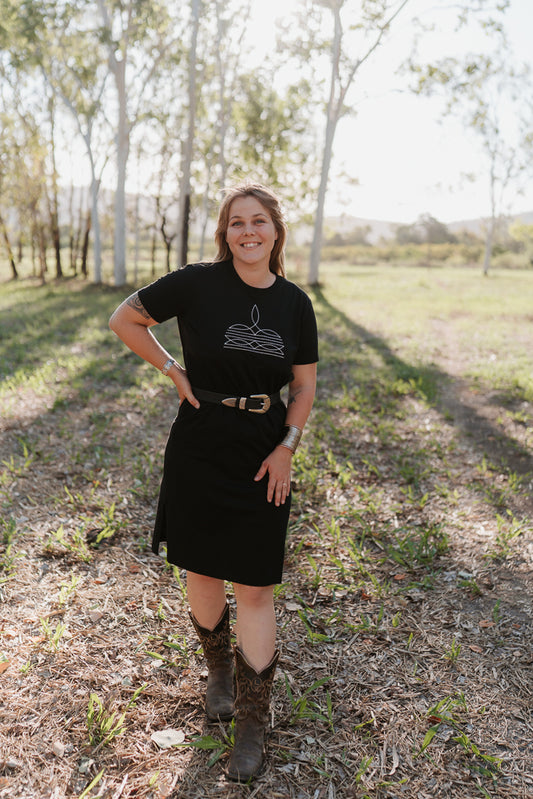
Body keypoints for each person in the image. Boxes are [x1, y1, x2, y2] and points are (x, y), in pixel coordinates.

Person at [109, 182, 318, 782]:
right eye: (235, 223)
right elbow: (126, 318)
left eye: (258, 222)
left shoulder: (294, 303)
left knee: (253, 585)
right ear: (224, 233)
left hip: (262, 451)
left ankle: (253, 720)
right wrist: (173, 370)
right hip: (199, 444)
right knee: (200, 568)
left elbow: (302, 388)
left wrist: (287, 447)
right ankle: (219, 673)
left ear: (276, 231)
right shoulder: (198, 282)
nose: (247, 232)